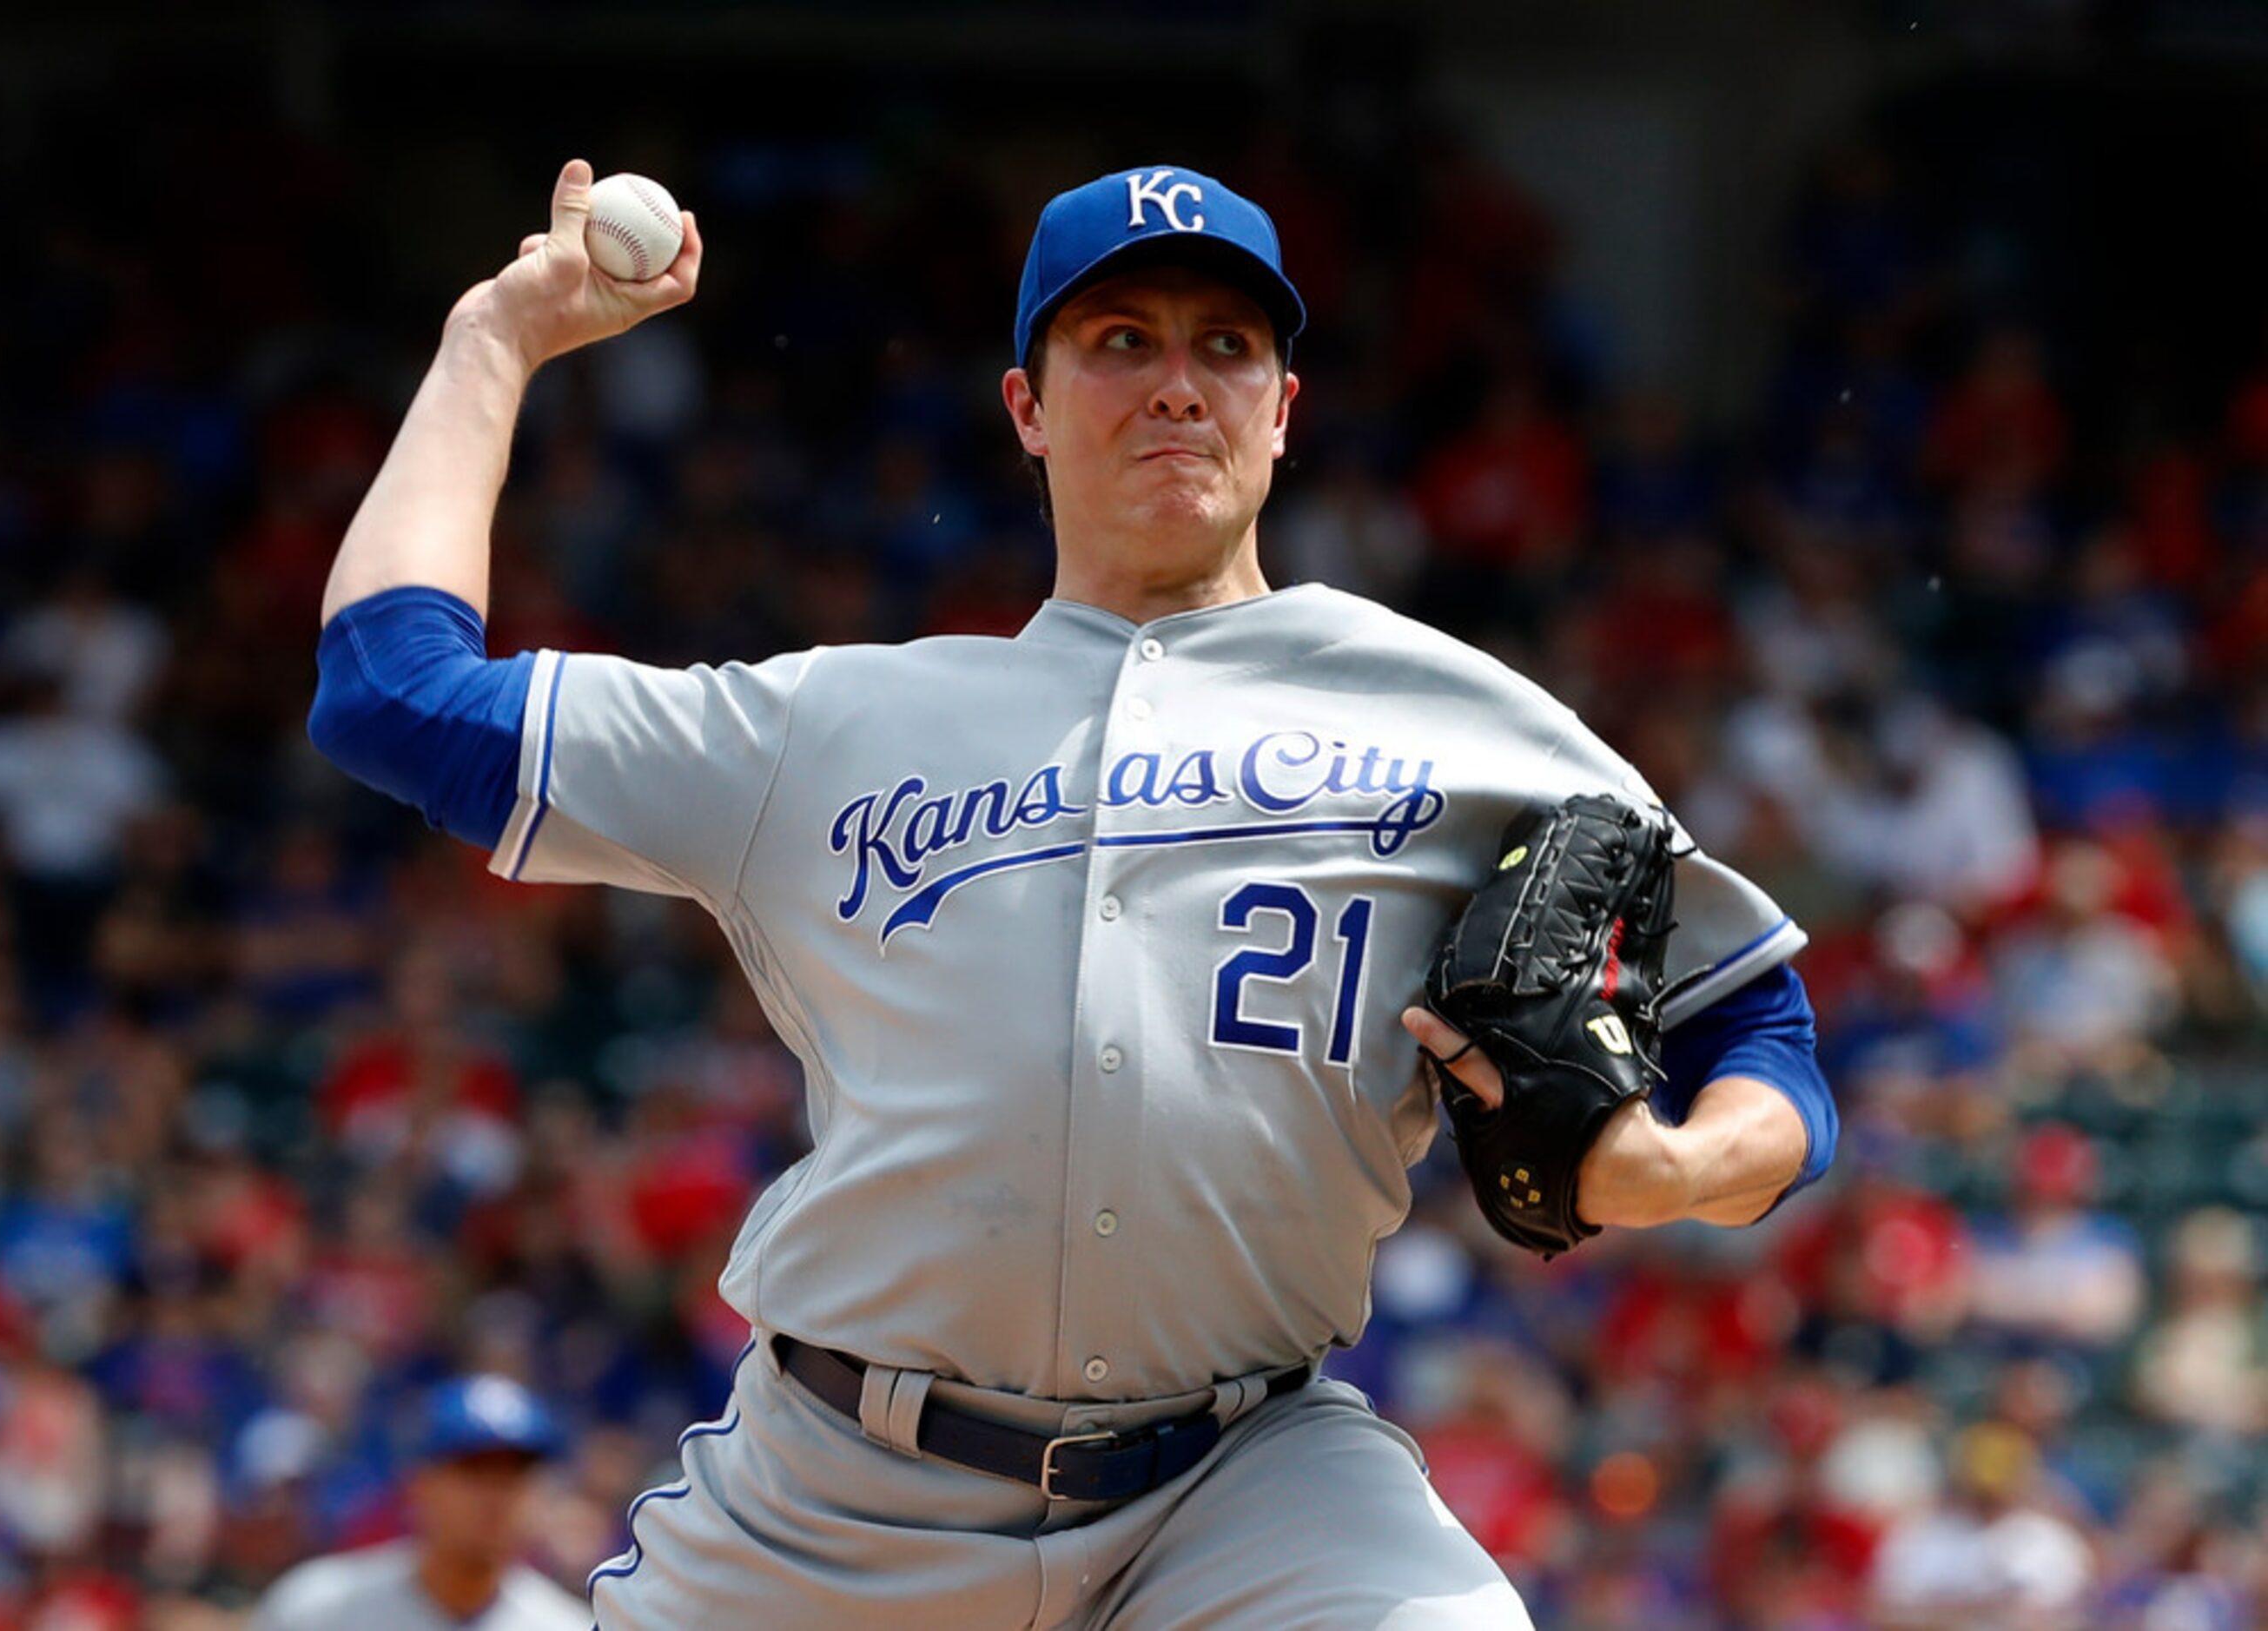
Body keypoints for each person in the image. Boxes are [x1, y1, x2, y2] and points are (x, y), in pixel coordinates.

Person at [308, 159, 1836, 1628]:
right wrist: (492, 339)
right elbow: (392, 694)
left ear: (1283, 410)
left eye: (1225, 346)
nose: (1178, 382)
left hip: (1245, 1478)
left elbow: (1756, 1014)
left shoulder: (1456, 716)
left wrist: (1689, 1167)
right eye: (1120, 341)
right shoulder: (831, 726)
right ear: (1026, 410)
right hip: (844, 1496)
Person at [248, 1374, 587, 1631]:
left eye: (513, 1476)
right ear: (418, 1484)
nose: (494, 1496)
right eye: (473, 1471)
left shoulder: (567, 1625)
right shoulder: (315, 1607)